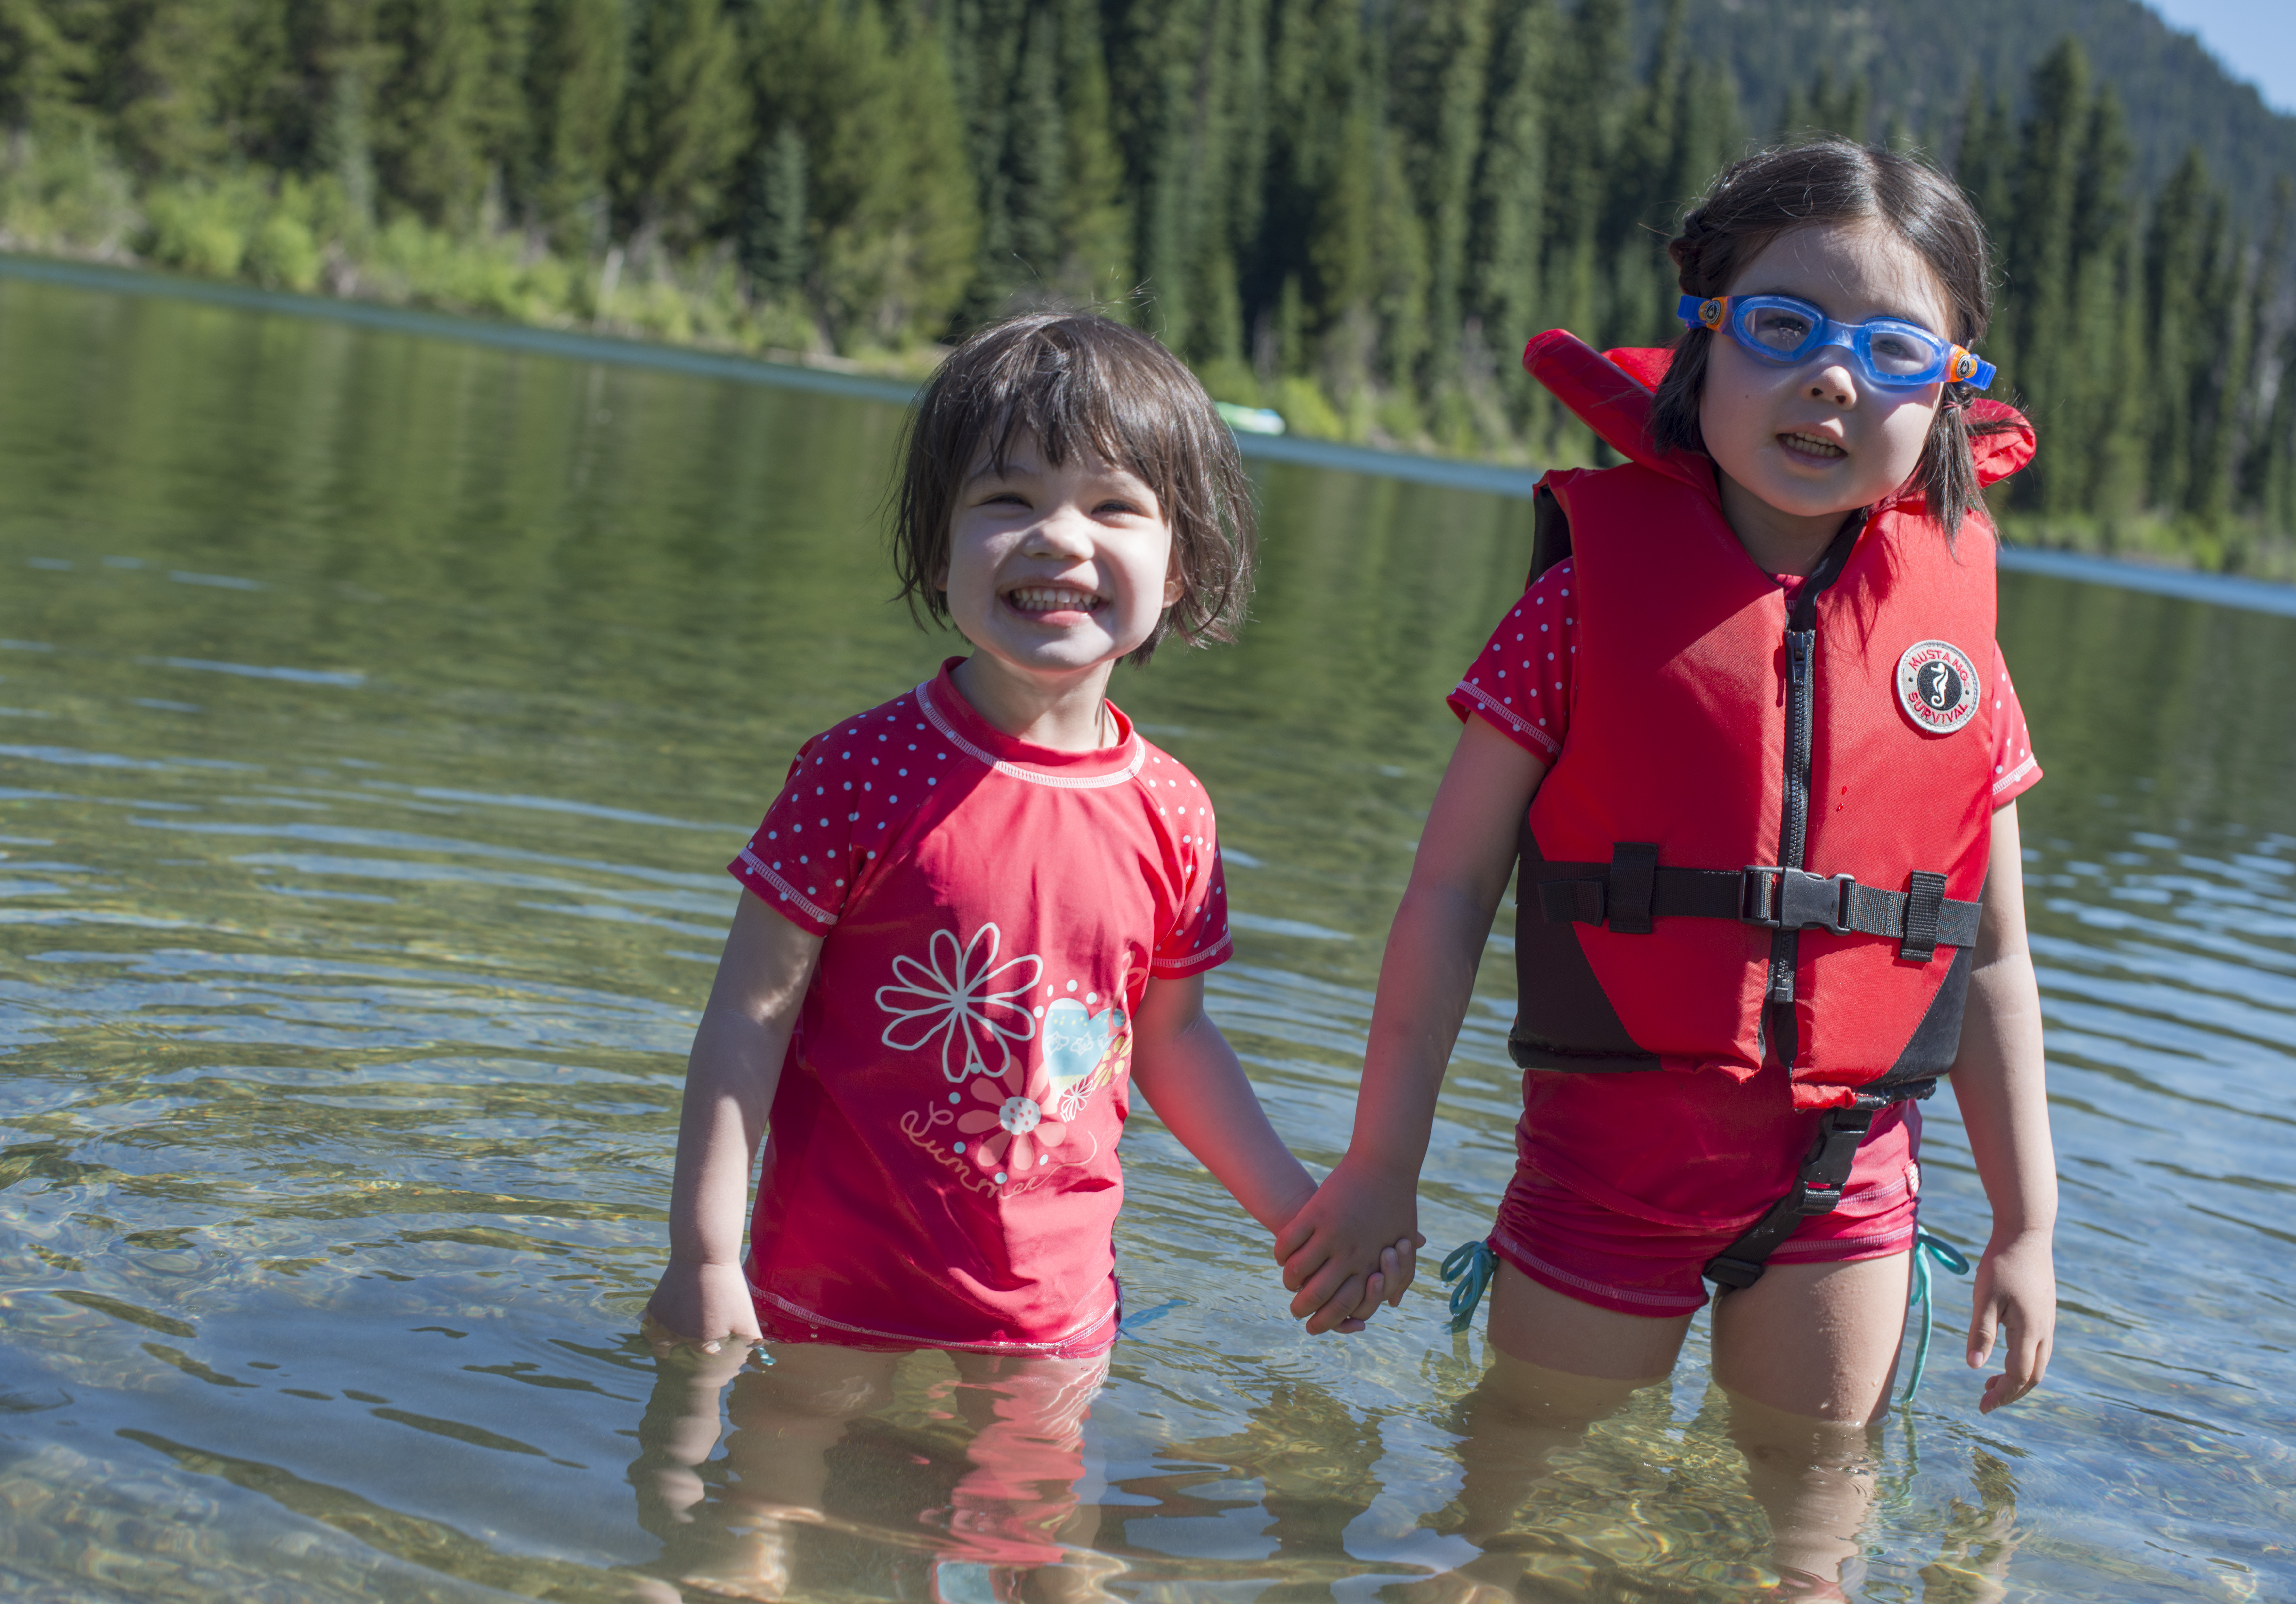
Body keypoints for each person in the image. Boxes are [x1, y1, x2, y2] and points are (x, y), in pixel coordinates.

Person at [1272, 141, 2059, 1596]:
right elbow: (1448, 896)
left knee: (1807, 1537)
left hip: (1845, 1183)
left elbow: (1993, 954)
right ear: (1702, 332)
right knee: (1516, 1523)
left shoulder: (1962, 651)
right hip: (1603, 1170)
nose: (1830, 380)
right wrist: (1382, 1163)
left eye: (1887, 351)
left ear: (1950, 385)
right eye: (1782, 328)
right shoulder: (1582, 606)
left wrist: (2026, 1227)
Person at [639, 311, 1409, 1599]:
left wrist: (1296, 1209)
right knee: (765, 1530)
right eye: (1008, 498)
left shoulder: (1172, 810)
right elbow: (746, 1021)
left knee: (1046, 1555)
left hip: (1049, 1313)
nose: (1060, 536)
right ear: (937, 547)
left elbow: (1171, 1038)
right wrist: (705, 1255)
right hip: (831, 1286)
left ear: (1185, 565)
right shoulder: (860, 772)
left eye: (1116, 505)